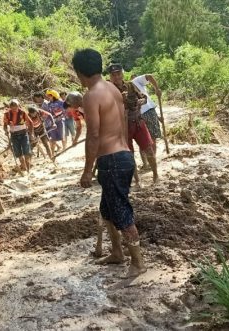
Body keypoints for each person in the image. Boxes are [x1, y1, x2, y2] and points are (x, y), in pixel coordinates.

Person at [72, 49, 146, 278]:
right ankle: (116, 252)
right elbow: (121, 122)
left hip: (112, 160)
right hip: (122, 155)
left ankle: (138, 262)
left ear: (79, 73)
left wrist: (86, 171)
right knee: (107, 209)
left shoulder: (91, 95)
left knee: (121, 212)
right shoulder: (113, 89)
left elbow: (93, 136)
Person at [107, 63, 159, 183]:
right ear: (110, 76)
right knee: (129, 155)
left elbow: (143, 98)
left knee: (149, 149)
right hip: (122, 127)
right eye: (113, 75)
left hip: (138, 122)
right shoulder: (109, 91)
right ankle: (137, 181)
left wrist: (140, 102)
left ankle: (155, 175)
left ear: (122, 73)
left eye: (118, 73)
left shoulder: (130, 86)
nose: (116, 77)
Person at [2, 99, 34, 173]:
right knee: (18, 152)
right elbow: (5, 125)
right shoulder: (7, 114)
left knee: (26, 151)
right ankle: (23, 167)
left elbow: (30, 123)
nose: (14, 108)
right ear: (10, 106)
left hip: (23, 134)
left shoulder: (22, 112)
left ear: (18, 105)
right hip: (14, 135)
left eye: (15, 106)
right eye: (12, 106)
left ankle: (28, 169)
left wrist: (31, 133)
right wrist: (5, 130)